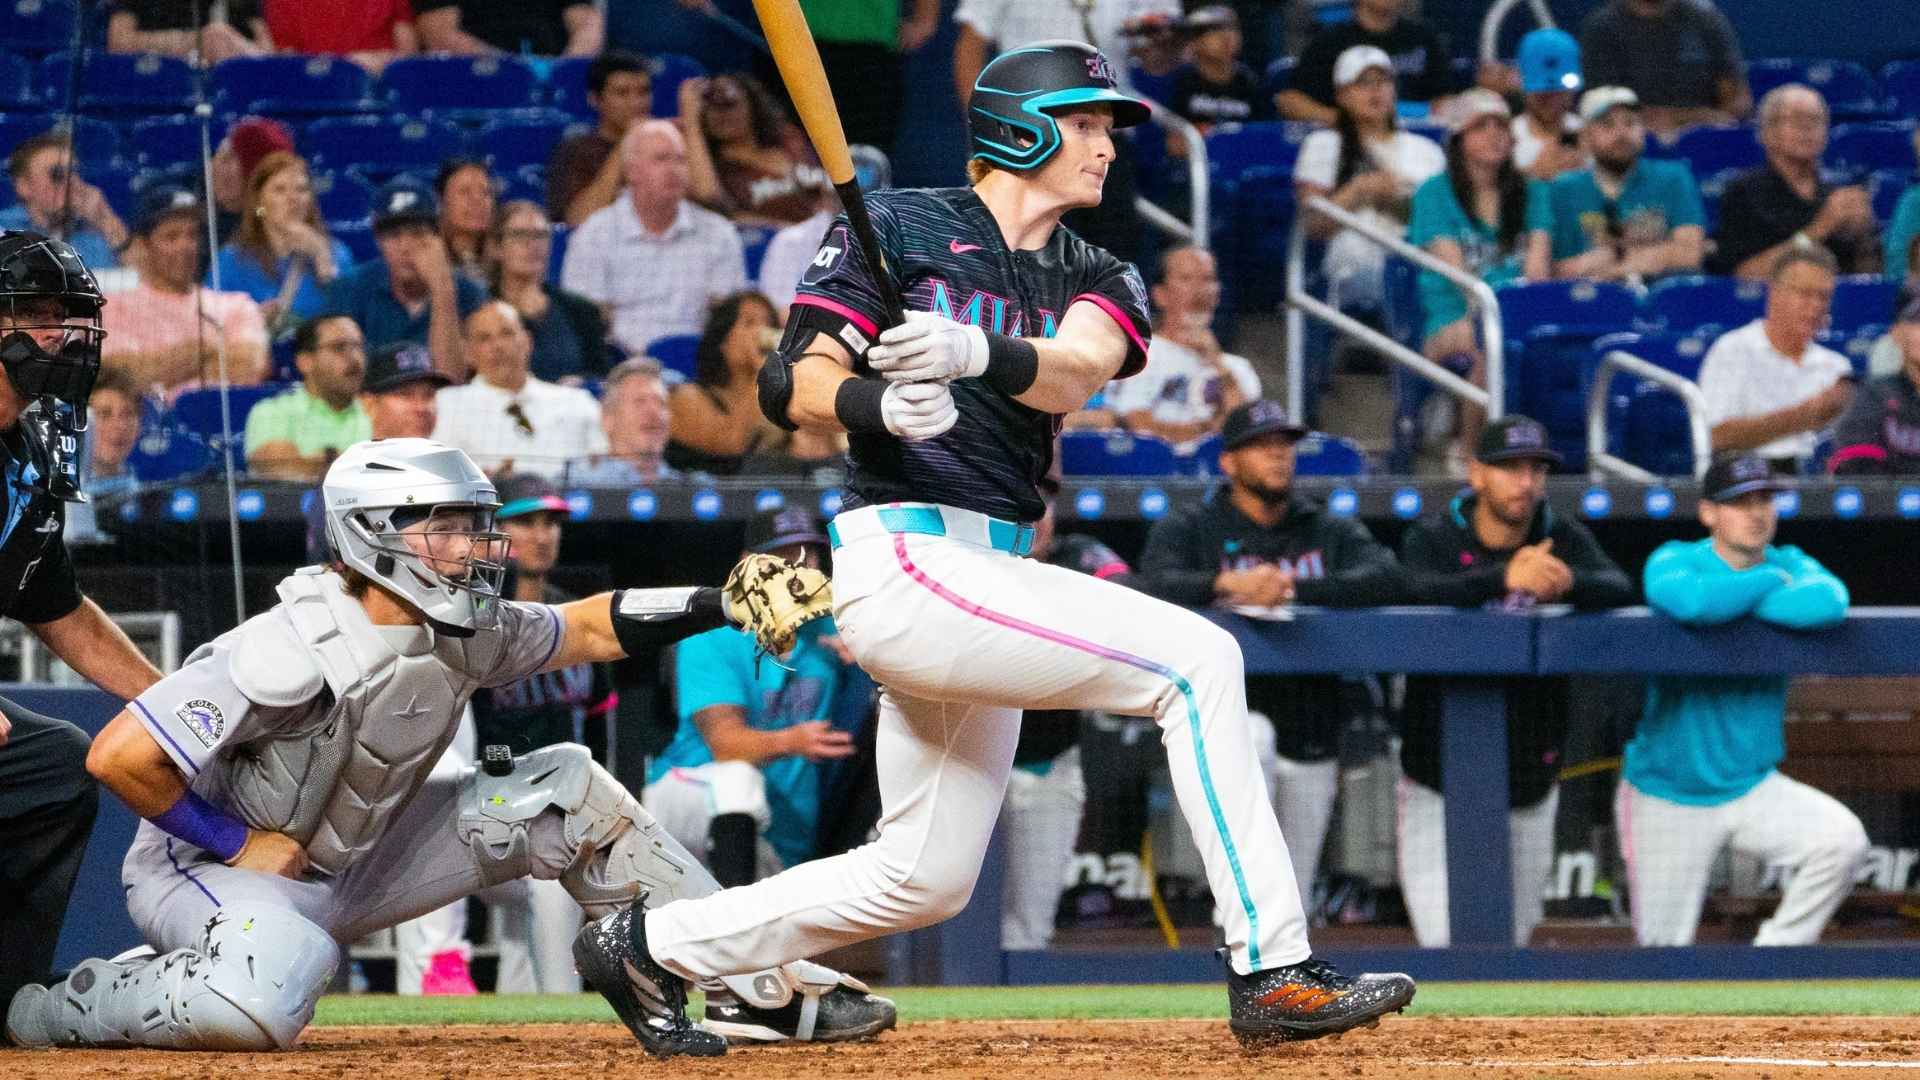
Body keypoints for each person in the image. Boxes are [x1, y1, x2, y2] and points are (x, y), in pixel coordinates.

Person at [571, 41, 1415, 1058]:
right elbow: (789, 383)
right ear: (1022, 129)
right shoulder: (898, 224)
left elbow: (1078, 369)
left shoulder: (1098, 269)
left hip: (993, 571)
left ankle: (650, 944)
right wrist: (876, 403)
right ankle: (1274, 969)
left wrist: (976, 351)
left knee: (921, 876)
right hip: (907, 556)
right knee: (1200, 662)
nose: (1106, 146)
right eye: (1086, 123)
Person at [5, 437, 893, 1052]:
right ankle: (64, 1006)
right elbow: (117, 756)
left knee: (564, 790)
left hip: (352, 861)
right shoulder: (284, 645)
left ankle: (753, 987)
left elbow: (589, 627)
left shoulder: (469, 628)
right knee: (264, 996)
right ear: (375, 533)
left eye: (473, 523)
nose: (474, 545)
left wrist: (719, 602)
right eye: (448, 526)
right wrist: (237, 842)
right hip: (218, 872)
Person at [0, 232, 169, 1030]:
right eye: (34, 316)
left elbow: (57, 606)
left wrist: (177, 705)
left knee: (57, 764)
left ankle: (6, 995)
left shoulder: (30, 449)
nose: (57, 336)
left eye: (65, 317)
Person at [1138, 400, 1404, 900]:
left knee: (1291, 894)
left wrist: (1292, 587)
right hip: (1229, 716)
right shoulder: (1195, 525)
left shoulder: (1324, 526)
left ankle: (1274, 952)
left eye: (1285, 445)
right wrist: (1225, 583)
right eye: (1261, 446)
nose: (1279, 456)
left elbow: (1387, 576)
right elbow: (1151, 581)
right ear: (1228, 461)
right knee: (1242, 881)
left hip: (1311, 725)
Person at [1396, 415, 1635, 947]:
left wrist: (1567, 581)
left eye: (1535, 470)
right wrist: (1501, 579)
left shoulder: (1560, 536)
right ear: (1477, 473)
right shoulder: (1435, 537)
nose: (1525, 482)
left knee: (1513, 941)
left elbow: (1618, 585)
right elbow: (1406, 586)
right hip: (1437, 778)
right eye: (1509, 469)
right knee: (1442, 941)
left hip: (1529, 778)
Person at [1623, 453, 1865, 946]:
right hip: (1668, 792)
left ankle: (1773, 958)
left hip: (1753, 787)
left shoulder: (1792, 561)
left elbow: (1830, 601)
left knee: (1841, 842)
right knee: (1660, 957)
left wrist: (1739, 596)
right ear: (1709, 512)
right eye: (1740, 503)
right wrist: (1766, 583)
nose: (1756, 514)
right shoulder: (1676, 558)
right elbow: (1692, 602)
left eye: (1765, 500)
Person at [456, 472, 620, 993]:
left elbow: (600, 731)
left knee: (536, 909)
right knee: (550, 879)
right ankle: (562, 1005)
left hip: (559, 814)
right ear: (491, 534)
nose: (543, 534)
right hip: (480, 811)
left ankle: (534, 1026)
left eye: (551, 522)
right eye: (525, 522)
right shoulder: (468, 621)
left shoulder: (578, 619)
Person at [643, 508, 865, 887]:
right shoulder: (714, 632)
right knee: (737, 781)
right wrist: (792, 741)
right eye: (784, 556)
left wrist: (873, 661)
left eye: (809, 554)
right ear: (748, 565)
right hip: (689, 802)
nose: (800, 567)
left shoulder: (836, 629)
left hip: (776, 829)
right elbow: (725, 744)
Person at [997, 474, 1132, 950]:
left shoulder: (1076, 556)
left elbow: (1131, 590)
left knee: (1030, 929)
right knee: (951, 914)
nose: (1035, 516)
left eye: (1044, 505)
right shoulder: (962, 561)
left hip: (1047, 760)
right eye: (1020, 503)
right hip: (968, 765)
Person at [1408, 90, 1552, 448]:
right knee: (1493, 347)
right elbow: (1460, 278)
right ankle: (1473, 453)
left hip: (1519, 312)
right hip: (1454, 315)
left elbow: (1537, 271)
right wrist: (1495, 316)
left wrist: (1518, 312)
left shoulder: (1532, 191)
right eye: (1481, 126)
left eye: (1501, 126)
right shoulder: (1433, 193)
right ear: (1458, 138)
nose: (1494, 134)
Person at [561, 121, 748, 357]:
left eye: (681, 160)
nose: (674, 170)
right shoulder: (595, 234)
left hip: (699, 362)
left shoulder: (718, 233)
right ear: (631, 171)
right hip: (621, 363)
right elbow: (584, 321)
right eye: (661, 159)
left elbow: (729, 317)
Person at [1293, 45, 1445, 319]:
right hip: (1352, 273)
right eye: (1363, 83)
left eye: (1383, 81)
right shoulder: (1323, 144)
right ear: (1342, 95)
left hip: (1422, 265)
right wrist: (1359, 191)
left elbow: (1443, 221)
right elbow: (1312, 224)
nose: (1376, 91)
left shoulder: (1427, 150)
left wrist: (1400, 203)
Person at [102, 187, 270, 394]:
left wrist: (159, 367)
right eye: (171, 237)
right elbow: (118, 376)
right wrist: (205, 350)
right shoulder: (114, 308)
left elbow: (252, 367)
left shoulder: (237, 306)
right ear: (143, 246)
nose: (185, 246)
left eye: (192, 235)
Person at [1698, 246, 1855, 470]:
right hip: (1749, 475)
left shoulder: (1836, 366)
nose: (1816, 306)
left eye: (1823, 296)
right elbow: (1716, 437)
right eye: (1805, 294)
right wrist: (1805, 414)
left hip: (1817, 480)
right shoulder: (1733, 350)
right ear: (1774, 293)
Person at [324, 178, 488, 379]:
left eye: (417, 234)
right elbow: (339, 379)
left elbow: (451, 382)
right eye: (394, 236)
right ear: (379, 241)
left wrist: (442, 291)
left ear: (438, 239)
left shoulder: (469, 294)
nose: (405, 247)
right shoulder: (349, 289)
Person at [1711, 85, 1879, 280]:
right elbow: (1744, 276)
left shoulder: (1838, 193)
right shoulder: (1743, 192)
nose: (1807, 127)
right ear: (1767, 132)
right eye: (1797, 119)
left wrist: (1863, 238)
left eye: (1815, 120)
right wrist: (1820, 228)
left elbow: (1867, 276)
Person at [1104, 245, 1258, 453]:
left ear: (1218, 294)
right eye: (1187, 279)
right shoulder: (1141, 354)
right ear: (1160, 295)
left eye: (1208, 279)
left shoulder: (1237, 368)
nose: (1199, 290)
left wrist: (1217, 363)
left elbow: (1248, 435)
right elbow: (1138, 426)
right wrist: (1207, 430)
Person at [432, 302, 607, 479]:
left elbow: (609, 467)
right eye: (484, 338)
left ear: (527, 342)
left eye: (507, 333)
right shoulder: (446, 405)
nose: (497, 346)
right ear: (468, 353)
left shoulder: (576, 402)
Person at [1549, 87, 1706, 282]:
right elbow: (1552, 270)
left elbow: (1690, 254)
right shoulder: (1564, 188)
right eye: (1607, 124)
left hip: (1658, 293)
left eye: (1631, 123)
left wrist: (1614, 267)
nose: (1621, 133)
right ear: (1585, 136)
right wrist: (1655, 256)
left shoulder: (1673, 177)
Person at [215, 151, 354, 330]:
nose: (292, 199)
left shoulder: (337, 253)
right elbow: (210, 325)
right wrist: (251, 320)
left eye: (301, 189)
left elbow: (352, 318)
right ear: (259, 202)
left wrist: (323, 260)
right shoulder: (231, 260)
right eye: (280, 190)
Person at [1578, 0, 1750, 139]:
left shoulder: (1705, 20)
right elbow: (1600, 106)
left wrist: (1700, 121)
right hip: (1633, 141)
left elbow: (1737, 98)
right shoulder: (1602, 28)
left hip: (1705, 139)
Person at [682, 74, 830, 227]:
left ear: (751, 105)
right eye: (709, 108)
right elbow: (708, 197)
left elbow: (825, 185)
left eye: (728, 104)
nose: (718, 115)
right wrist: (691, 120)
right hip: (772, 239)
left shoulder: (788, 141)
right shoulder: (713, 168)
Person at [489, 200, 613, 383]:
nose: (531, 244)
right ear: (497, 248)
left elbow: (602, 378)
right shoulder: (480, 308)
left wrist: (581, 382)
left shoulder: (581, 311)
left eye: (540, 235)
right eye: (519, 234)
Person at [1276, 0, 1451, 127]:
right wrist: (1345, 123)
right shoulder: (1329, 42)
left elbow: (1445, 97)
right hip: (1345, 143)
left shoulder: (1424, 38)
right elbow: (1289, 101)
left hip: (1413, 137)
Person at [797, 0, 941, 151]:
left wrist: (925, 20)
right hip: (799, 45)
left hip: (870, 49)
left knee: (866, 154)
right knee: (796, 152)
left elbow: (925, 24)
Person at [244, 315, 373, 481]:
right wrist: (360, 466)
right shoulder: (272, 412)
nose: (354, 358)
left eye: (359, 347)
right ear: (305, 362)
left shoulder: (379, 410)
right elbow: (278, 469)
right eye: (339, 347)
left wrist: (320, 461)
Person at [547, 51, 653, 228]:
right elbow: (578, 220)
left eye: (644, 92)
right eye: (622, 93)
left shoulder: (666, 145)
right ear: (595, 99)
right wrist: (626, 143)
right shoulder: (576, 150)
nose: (636, 103)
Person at [2, 132, 128, 272]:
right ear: (23, 186)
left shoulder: (92, 236)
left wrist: (105, 218)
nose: (73, 183)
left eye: (75, 173)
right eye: (57, 174)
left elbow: (141, 279)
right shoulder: (4, 230)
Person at [1830, 289, 1920, 475]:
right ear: (1896, 333)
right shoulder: (1874, 395)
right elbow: (1853, 463)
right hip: (1891, 493)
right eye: (1916, 322)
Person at [570, 358, 677, 484]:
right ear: (607, 418)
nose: (654, 412)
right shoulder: (573, 486)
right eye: (640, 401)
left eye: (661, 403)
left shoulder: (691, 487)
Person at [1167, 5, 1272, 131]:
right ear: (1194, 42)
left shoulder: (1250, 82)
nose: (1226, 37)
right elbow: (1172, 136)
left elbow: (1263, 132)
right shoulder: (1179, 81)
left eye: (1232, 29)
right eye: (1214, 30)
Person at [258, 0, 418, 75]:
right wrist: (348, 66)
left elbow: (408, 62)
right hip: (316, 101)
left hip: (379, 98)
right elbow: (290, 68)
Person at [1511, 28, 1585, 181]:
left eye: (1560, 93)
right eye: (1543, 95)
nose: (1553, 101)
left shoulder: (1590, 135)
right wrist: (1534, 175)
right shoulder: (1506, 140)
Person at [209, 118, 297, 245]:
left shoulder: (262, 215)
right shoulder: (204, 218)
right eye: (219, 159)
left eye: (228, 159)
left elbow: (260, 212)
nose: (214, 169)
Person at [415, 0, 604, 56]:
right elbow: (439, 34)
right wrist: (512, 68)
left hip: (551, 69)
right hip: (476, 75)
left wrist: (562, 69)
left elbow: (587, 23)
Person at [107, 0, 267, 62]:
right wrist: (191, 41)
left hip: (230, 92)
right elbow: (119, 42)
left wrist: (233, 45)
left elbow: (267, 53)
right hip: (162, 83)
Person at [84, 366, 144, 501]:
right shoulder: (59, 496)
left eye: (128, 414)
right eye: (104, 414)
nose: (120, 425)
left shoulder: (150, 497)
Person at [436, 158, 497, 286]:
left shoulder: (506, 260)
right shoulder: (424, 260)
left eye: (485, 192)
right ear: (441, 202)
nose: (477, 199)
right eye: (464, 192)